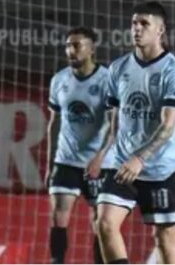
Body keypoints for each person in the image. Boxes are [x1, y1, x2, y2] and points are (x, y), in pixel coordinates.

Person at [95, 1, 175, 264]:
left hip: (161, 166)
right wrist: (103, 154)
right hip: (123, 162)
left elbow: (168, 124)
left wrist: (141, 158)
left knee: (164, 240)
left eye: (144, 23)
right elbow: (114, 121)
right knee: (104, 223)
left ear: (160, 30)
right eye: (134, 23)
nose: (137, 28)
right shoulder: (118, 68)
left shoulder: (174, 70)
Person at [47, 26, 114, 264]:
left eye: (76, 45)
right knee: (58, 216)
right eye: (68, 46)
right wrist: (49, 164)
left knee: (100, 221)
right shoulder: (59, 80)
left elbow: (115, 126)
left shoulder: (107, 80)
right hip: (65, 160)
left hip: (97, 162)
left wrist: (100, 157)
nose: (70, 51)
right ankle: (57, 261)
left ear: (92, 48)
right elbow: (54, 123)